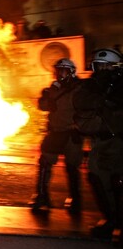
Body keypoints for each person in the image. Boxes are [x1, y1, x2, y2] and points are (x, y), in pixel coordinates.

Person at [73, 48, 123, 239]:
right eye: (98, 66)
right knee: (97, 178)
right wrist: (102, 94)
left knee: (117, 180)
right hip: (100, 140)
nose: (101, 70)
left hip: (118, 139)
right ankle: (110, 218)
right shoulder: (94, 84)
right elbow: (80, 100)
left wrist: (108, 97)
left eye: (105, 66)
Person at [30, 58, 84, 213]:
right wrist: (48, 94)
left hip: (72, 133)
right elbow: (43, 106)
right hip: (55, 132)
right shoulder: (55, 89)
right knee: (45, 163)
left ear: (71, 72)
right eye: (57, 71)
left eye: (62, 71)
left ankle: (75, 199)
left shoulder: (79, 89)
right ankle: (41, 196)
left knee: (72, 167)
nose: (58, 74)